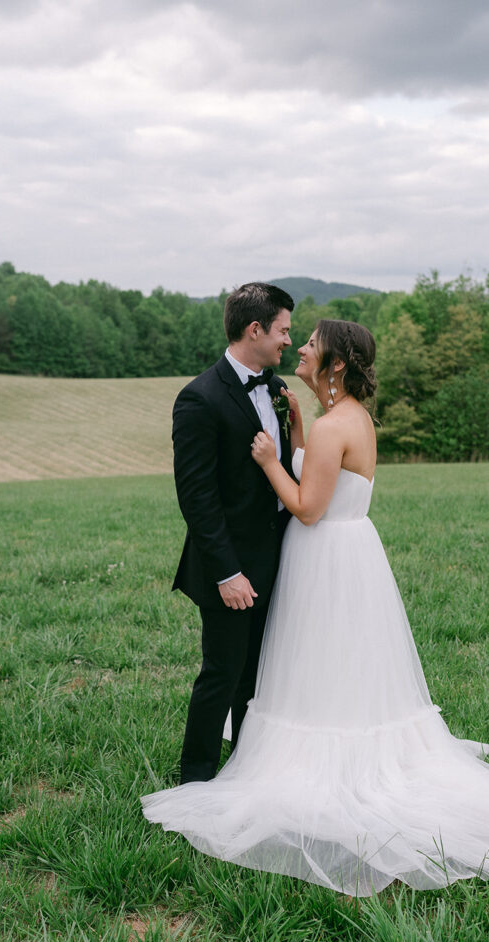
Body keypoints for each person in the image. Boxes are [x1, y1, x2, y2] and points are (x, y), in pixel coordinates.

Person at [143, 319, 489, 895]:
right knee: (336, 667)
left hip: (324, 553)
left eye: (311, 344)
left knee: (315, 663)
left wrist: (269, 459)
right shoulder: (348, 418)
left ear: (335, 364)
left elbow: (309, 507)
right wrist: (295, 432)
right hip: (350, 555)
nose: (302, 348)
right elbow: (319, 474)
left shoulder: (337, 423)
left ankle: (306, 767)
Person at [170, 281, 297, 784]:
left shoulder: (277, 388)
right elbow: (197, 498)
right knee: (222, 674)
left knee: (257, 679)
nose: (289, 339)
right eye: (283, 330)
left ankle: (248, 771)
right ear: (255, 329)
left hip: (276, 559)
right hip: (230, 569)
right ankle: (195, 781)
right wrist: (227, 573)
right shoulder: (199, 398)